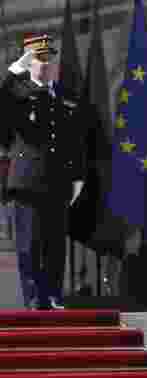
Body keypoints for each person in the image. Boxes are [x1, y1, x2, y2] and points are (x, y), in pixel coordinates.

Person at [0, 33, 87, 310]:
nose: (47, 65)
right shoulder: (17, 95)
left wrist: (78, 175)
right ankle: (34, 299)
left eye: (51, 60)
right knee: (29, 247)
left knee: (54, 247)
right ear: (29, 63)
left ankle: (53, 296)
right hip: (26, 183)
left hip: (57, 182)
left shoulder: (66, 98)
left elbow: (75, 140)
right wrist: (14, 71)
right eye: (40, 60)